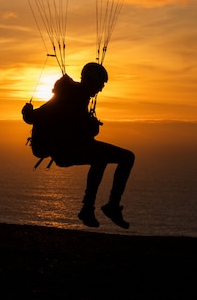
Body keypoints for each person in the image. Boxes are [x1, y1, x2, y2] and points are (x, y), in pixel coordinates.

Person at [21, 62, 134, 229]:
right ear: (91, 81)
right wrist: (28, 112)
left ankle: (88, 209)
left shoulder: (78, 97)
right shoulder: (69, 96)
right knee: (127, 157)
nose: (101, 89)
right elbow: (37, 116)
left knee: (100, 159)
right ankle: (108, 206)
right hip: (66, 151)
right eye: (100, 84)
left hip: (73, 148)